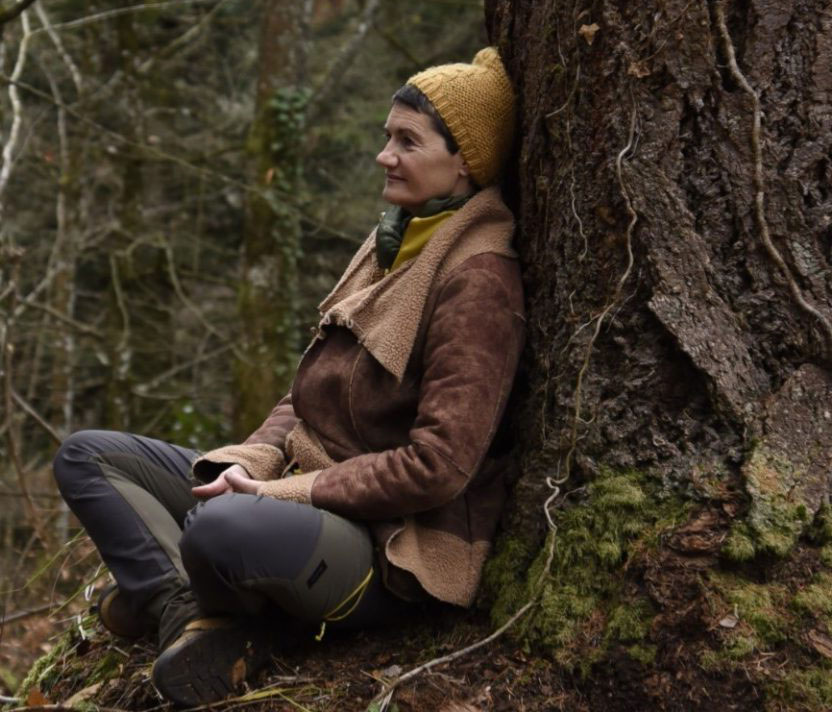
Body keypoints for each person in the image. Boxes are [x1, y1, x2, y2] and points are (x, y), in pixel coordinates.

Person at [53, 46, 524, 707]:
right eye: (387, 136)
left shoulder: (477, 282)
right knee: (89, 456)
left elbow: (438, 467)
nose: (383, 155)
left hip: (385, 545)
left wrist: (278, 496)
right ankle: (189, 614)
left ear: (464, 161)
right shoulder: (392, 241)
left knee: (220, 529)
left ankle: (181, 600)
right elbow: (305, 393)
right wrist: (254, 460)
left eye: (406, 141)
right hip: (292, 490)